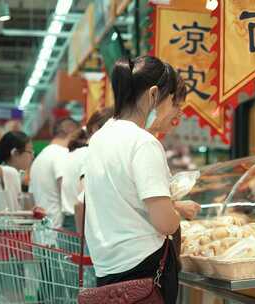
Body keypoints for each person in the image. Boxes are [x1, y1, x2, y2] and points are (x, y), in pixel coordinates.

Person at [83, 56, 200, 303]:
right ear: (154, 94)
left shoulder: (100, 138)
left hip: (107, 267)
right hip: (144, 268)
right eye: (171, 101)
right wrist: (177, 213)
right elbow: (165, 223)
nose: (172, 111)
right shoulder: (143, 143)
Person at [60, 107, 114, 232]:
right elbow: (82, 201)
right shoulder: (90, 154)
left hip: (71, 221)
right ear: (96, 128)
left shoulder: (77, 152)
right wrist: (82, 236)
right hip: (81, 223)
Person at [29, 118, 79, 229]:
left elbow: (31, 196)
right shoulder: (62, 154)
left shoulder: (39, 158)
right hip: (59, 229)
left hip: (41, 229)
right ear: (71, 132)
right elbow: (66, 188)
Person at [0, 131, 37, 218]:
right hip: (1, 229)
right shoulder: (10, 172)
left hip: (1, 228)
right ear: (15, 153)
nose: (32, 157)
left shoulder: (11, 174)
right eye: (30, 152)